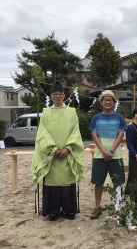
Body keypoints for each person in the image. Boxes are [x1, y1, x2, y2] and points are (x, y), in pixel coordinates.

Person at [31, 80, 84, 221]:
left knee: (67, 181)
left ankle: (69, 209)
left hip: (67, 154)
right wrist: (52, 149)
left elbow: (76, 132)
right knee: (52, 182)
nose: (58, 96)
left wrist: (68, 148)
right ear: (51, 96)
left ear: (64, 96)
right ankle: (53, 210)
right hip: (51, 155)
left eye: (60, 94)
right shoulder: (46, 113)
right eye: (55, 94)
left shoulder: (72, 113)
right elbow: (43, 134)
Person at [89, 90, 127, 219]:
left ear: (114, 102)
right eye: (105, 99)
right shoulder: (96, 118)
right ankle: (97, 207)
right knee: (98, 183)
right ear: (101, 102)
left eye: (110, 100)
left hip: (115, 155)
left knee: (117, 182)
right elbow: (94, 134)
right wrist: (104, 151)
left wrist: (110, 151)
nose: (108, 102)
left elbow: (121, 134)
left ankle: (118, 206)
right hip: (100, 155)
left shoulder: (119, 117)